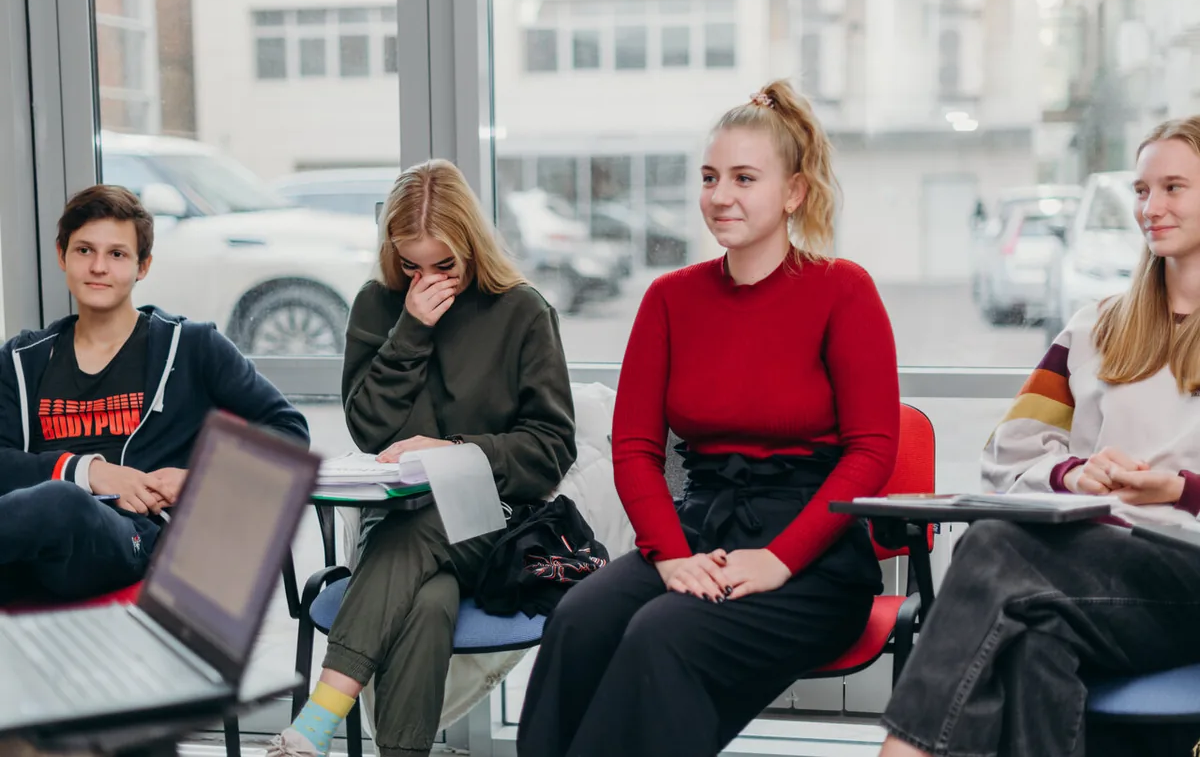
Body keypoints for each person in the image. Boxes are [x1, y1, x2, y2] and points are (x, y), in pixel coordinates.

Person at [517, 80, 901, 757]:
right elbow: (635, 448)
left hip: (811, 559)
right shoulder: (670, 300)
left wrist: (780, 560)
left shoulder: (844, 290)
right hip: (696, 532)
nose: (721, 195)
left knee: (663, 635)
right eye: (710, 177)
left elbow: (870, 452)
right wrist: (670, 558)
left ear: (794, 193)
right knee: (578, 619)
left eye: (745, 178)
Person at [878, 117, 1200, 757]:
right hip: (1093, 567)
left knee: (994, 547)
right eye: (1141, 190)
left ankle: (903, 751)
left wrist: (1180, 489)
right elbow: (1009, 451)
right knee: (1034, 642)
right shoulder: (1096, 328)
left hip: (1188, 577)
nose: (1150, 208)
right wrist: (1071, 474)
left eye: (1174, 188)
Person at [270, 159, 577, 757]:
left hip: (495, 524)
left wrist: (454, 452)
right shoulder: (378, 305)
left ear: (472, 246)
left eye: (443, 265)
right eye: (411, 265)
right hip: (397, 528)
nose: (426, 278)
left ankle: (319, 714)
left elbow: (551, 447)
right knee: (429, 600)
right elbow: (368, 429)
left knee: (419, 533)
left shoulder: (521, 311)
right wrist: (409, 330)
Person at [0, 184, 309, 605]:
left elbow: (289, 431)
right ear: (62, 256)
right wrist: (86, 471)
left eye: (117, 254)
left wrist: (200, 477)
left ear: (143, 266)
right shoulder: (23, 358)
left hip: (132, 538)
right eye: (84, 250)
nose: (98, 267)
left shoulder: (193, 346)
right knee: (56, 499)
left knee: (61, 502)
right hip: (26, 550)